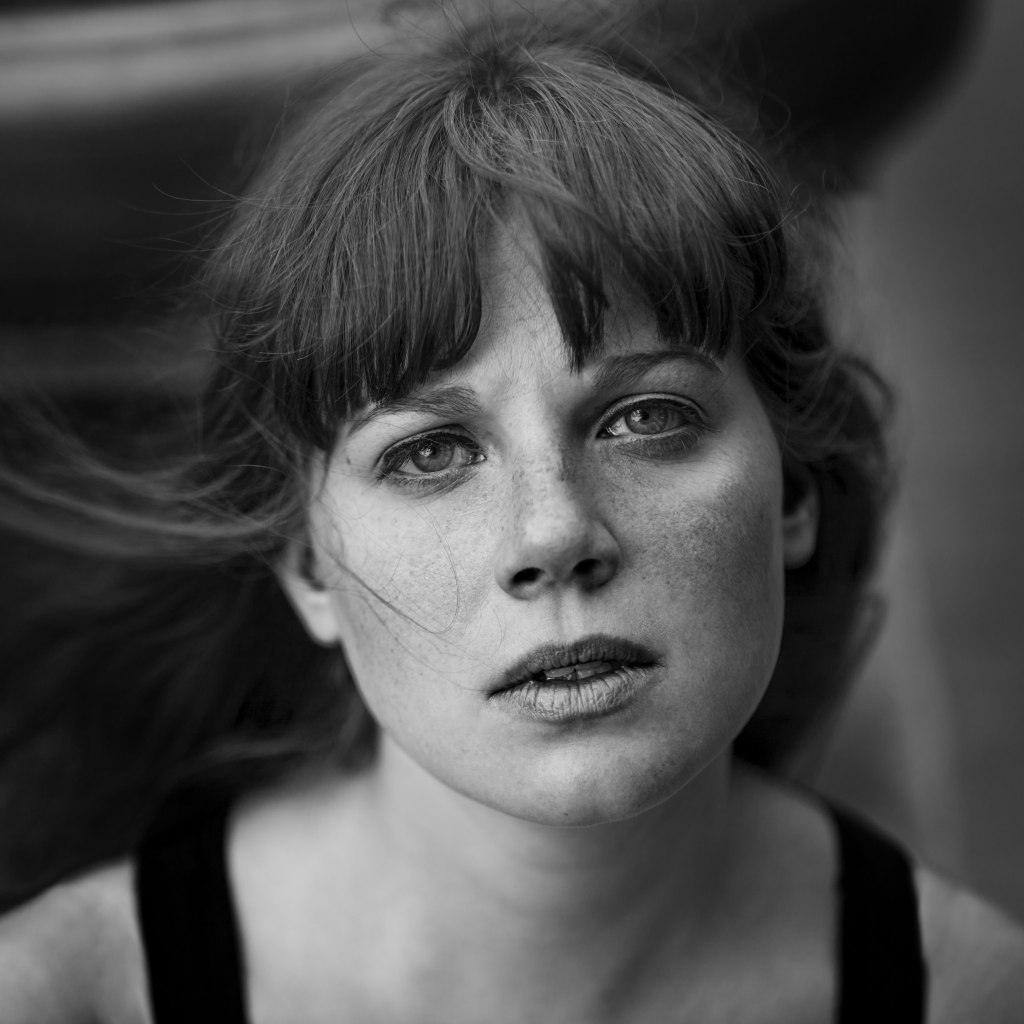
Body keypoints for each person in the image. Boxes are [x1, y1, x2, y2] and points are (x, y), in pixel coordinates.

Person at [1, 8, 1022, 1022]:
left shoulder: (970, 994)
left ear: (792, 488)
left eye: (643, 418)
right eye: (429, 454)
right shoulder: (67, 998)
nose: (552, 534)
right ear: (308, 565)